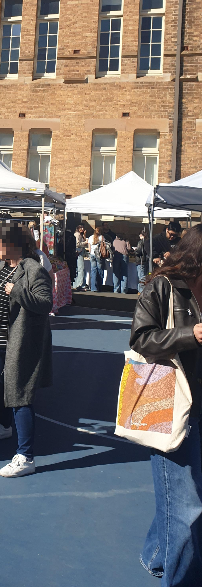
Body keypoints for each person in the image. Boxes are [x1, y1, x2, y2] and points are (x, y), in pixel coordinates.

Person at [130, 224, 202, 585]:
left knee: (187, 496)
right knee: (185, 505)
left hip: (197, 404)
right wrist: (192, 334)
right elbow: (142, 338)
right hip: (171, 402)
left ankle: (156, 553)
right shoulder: (163, 286)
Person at [0, 223, 53, 478]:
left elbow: (45, 304)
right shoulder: (2, 267)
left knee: (20, 396)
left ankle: (25, 456)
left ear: (12, 244)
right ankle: (4, 426)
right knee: (2, 388)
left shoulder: (34, 270)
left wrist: (18, 291)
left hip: (18, 344)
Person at [87, 227, 106, 292]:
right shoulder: (102, 237)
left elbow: (89, 249)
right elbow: (104, 247)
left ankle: (93, 287)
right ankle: (99, 286)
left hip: (92, 255)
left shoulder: (90, 237)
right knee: (100, 270)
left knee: (93, 271)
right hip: (99, 256)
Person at [72, 225, 88, 290]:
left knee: (79, 268)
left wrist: (84, 235)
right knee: (81, 268)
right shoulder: (77, 235)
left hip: (80, 252)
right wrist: (84, 243)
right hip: (79, 252)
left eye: (83, 228)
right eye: (81, 228)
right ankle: (79, 284)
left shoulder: (80, 234)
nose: (82, 229)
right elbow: (77, 244)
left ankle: (77, 284)